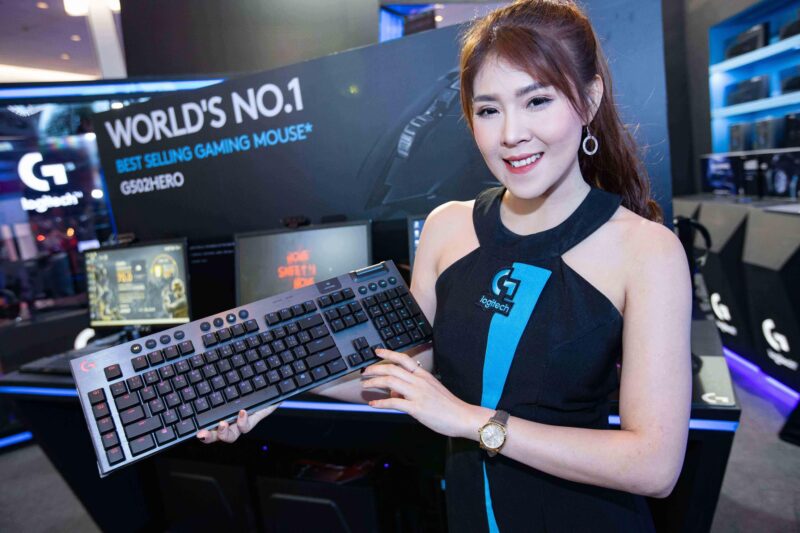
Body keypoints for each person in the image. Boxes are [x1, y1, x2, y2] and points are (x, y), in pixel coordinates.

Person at [197, 1, 692, 530]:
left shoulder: (647, 250)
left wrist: (470, 421)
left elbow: (654, 465)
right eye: (489, 110)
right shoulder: (447, 227)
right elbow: (405, 377)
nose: (511, 134)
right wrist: (275, 382)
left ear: (589, 99)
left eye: (537, 100)